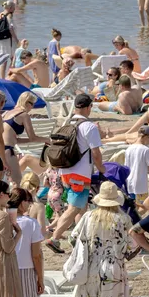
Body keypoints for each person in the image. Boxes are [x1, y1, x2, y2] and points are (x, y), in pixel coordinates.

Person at [48, 95, 105, 245]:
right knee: (74, 208)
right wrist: (102, 169)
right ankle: (55, 238)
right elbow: (96, 154)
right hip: (79, 174)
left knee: (82, 207)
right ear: (88, 107)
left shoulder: (68, 123)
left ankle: (78, 236)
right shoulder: (89, 126)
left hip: (65, 171)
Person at [10, 188, 49, 297]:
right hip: (25, 269)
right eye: (28, 201)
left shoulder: (2, 220)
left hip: (6, 269)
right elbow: (36, 254)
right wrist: (40, 277)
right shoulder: (30, 223)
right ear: (22, 202)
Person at [1, 92, 47, 184]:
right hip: (8, 150)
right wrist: (46, 139)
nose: (32, 107)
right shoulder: (23, 115)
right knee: (15, 181)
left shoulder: (7, 113)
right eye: (32, 104)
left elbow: (14, 140)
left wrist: (30, 140)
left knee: (4, 181)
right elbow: (33, 137)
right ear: (26, 102)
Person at [122, 126, 149, 206]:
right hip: (140, 185)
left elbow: (126, 167)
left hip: (129, 183)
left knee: (132, 207)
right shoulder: (145, 150)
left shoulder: (129, 149)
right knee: (145, 206)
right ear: (146, 137)